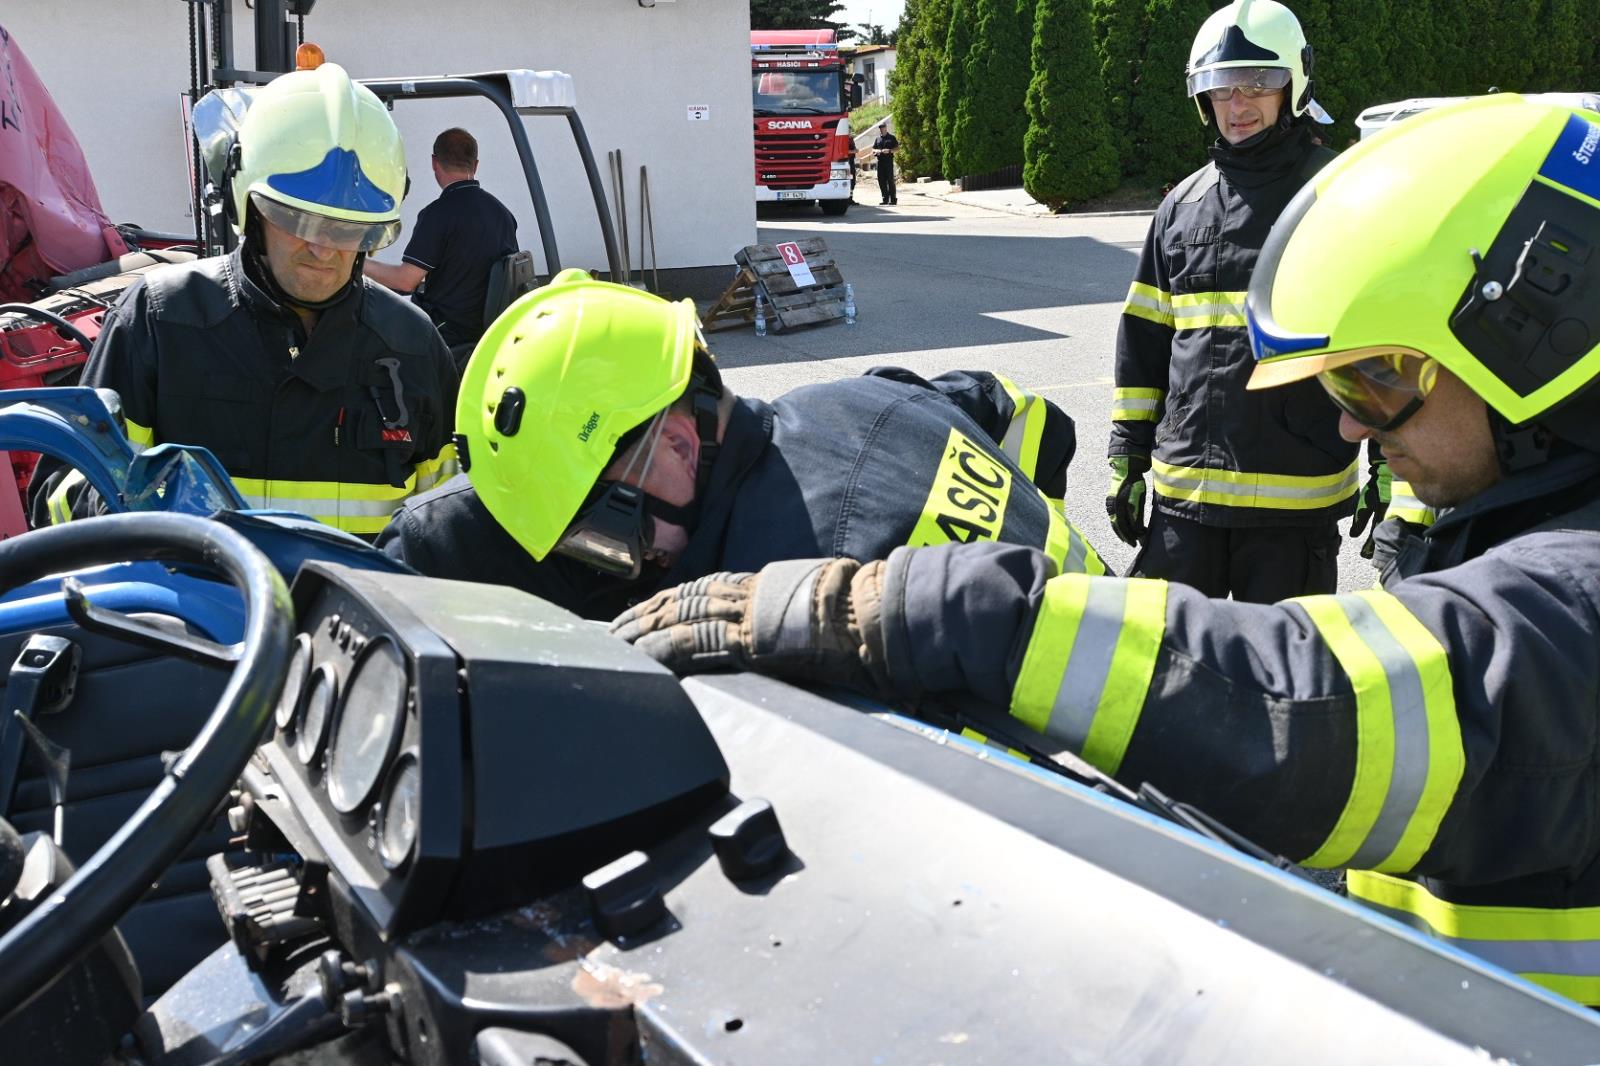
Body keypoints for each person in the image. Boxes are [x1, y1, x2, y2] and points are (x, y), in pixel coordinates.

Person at [613, 96, 1600, 1006]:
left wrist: (918, 610)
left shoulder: (1576, 593)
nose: (1349, 432)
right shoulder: (1524, 493)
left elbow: (1319, 710)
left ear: (1536, 338)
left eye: (1375, 387)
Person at [376, 268, 1102, 621]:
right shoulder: (860, 396)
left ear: (682, 445)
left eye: (607, 533)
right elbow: (1026, 413)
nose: (626, 564)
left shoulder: (792, 597)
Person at [30, 63, 459, 539]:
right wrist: (140, 506)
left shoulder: (412, 346)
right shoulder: (161, 321)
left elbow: (448, 530)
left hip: (354, 614)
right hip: (194, 612)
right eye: (298, 220)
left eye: (350, 230)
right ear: (247, 204)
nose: (324, 250)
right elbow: (58, 501)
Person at [1107, 0, 1354, 603]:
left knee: (1282, 687)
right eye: (1221, 88)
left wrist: (1397, 476)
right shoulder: (1181, 206)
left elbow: (1389, 344)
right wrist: (1127, 456)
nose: (1238, 105)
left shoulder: (1340, 196)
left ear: (1293, 85)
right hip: (1184, 502)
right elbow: (1144, 343)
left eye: (1258, 83)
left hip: (1293, 510)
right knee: (1166, 674)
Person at [364, 127, 518, 350]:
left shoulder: (437, 215)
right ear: (475, 165)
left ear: (434, 163)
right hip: (486, 329)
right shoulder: (503, 213)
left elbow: (405, 281)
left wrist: (357, 264)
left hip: (446, 331)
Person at [872, 125, 900, 206]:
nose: (882, 130)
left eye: (883, 128)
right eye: (880, 129)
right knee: (881, 180)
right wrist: (879, 151)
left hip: (888, 162)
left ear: (886, 128)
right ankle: (885, 199)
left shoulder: (891, 137)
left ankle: (893, 199)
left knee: (890, 180)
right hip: (880, 162)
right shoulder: (877, 139)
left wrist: (890, 151)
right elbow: (873, 149)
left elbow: (897, 148)